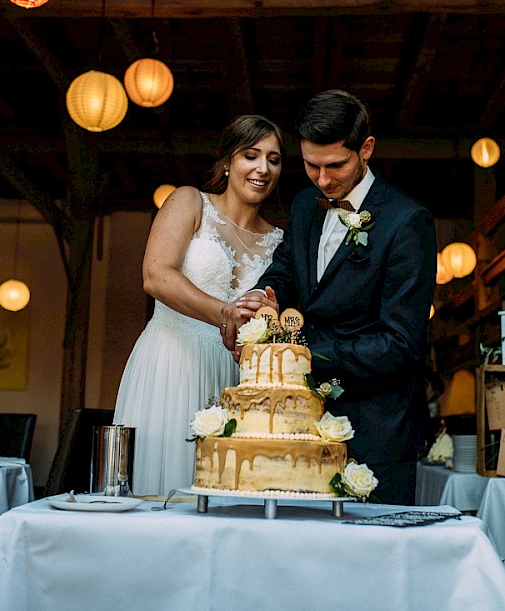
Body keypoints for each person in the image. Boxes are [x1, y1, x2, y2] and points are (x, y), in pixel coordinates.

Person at [220, 90, 436, 505]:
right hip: (299, 426)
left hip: (374, 429)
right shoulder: (305, 205)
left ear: (366, 149)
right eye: (310, 165)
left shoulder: (408, 222)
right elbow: (286, 268)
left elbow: (401, 345)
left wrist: (299, 355)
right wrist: (258, 294)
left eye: (335, 165)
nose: (322, 179)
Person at [113, 115, 285, 497]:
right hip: (171, 365)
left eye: (273, 160)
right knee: (164, 493)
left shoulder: (280, 242)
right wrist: (224, 312)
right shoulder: (190, 202)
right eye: (251, 155)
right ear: (227, 162)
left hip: (234, 378)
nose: (262, 168)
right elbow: (156, 275)